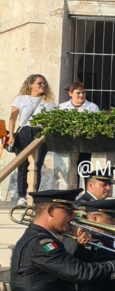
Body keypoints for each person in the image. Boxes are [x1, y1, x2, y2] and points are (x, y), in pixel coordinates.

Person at [7, 74, 57, 203]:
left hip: (40, 133)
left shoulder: (49, 102)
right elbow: (12, 118)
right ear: (30, 85)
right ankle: (22, 196)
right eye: (39, 83)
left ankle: (34, 195)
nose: (43, 86)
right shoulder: (21, 99)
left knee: (37, 165)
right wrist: (11, 135)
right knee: (22, 166)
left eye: (44, 83)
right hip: (24, 131)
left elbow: (53, 121)